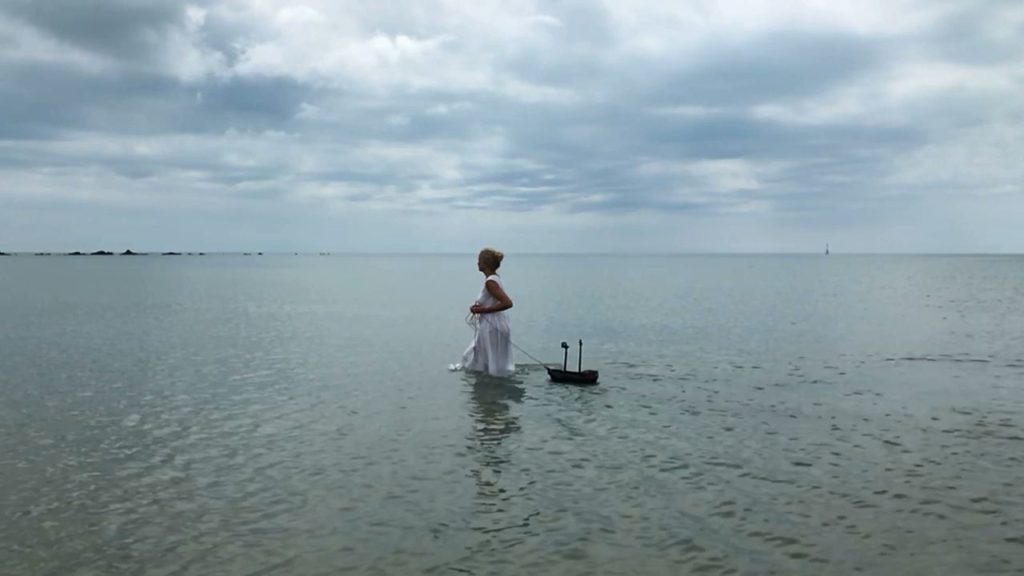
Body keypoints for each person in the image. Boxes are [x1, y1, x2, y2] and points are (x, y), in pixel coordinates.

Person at [461, 248, 515, 377]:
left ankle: (492, 386)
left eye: (479, 260)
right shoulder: (493, 279)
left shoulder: (491, 282)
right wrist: (479, 306)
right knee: (482, 358)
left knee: (485, 359)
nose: (477, 263)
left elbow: (507, 303)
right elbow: (492, 300)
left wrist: (482, 310)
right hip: (493, 324)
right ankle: (489, 386)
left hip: (492, 325)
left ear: (485, 263)